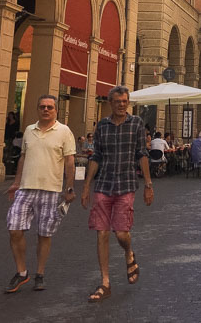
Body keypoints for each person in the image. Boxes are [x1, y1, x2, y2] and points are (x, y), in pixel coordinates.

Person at [81, 86, 153, 303]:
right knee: (102, 233)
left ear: (128, 103)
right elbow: (97, 156)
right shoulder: (102, 125)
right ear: (110, 102)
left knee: (121, 233)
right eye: (118, 101)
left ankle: (129, 253)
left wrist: (148, 185)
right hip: (103, 184)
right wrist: (86, 186)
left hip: (126, 184)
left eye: (125, 101)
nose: (122, 104)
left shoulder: (137, 124)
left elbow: (142, 154)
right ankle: (105, 282)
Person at [4, 94, 75, 293]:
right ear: (37, 109)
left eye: (49, 107)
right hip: (26, 188)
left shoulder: (64, 131)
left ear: (56, 111)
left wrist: (69, 188)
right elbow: (23, 158)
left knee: (44, 234)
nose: (46, 110)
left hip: (51, 190)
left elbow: (69, 162)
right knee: (14, 227)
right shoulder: (29, 130)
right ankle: (22, 272)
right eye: (42, 107)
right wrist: (16, 183)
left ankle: (40, 273)